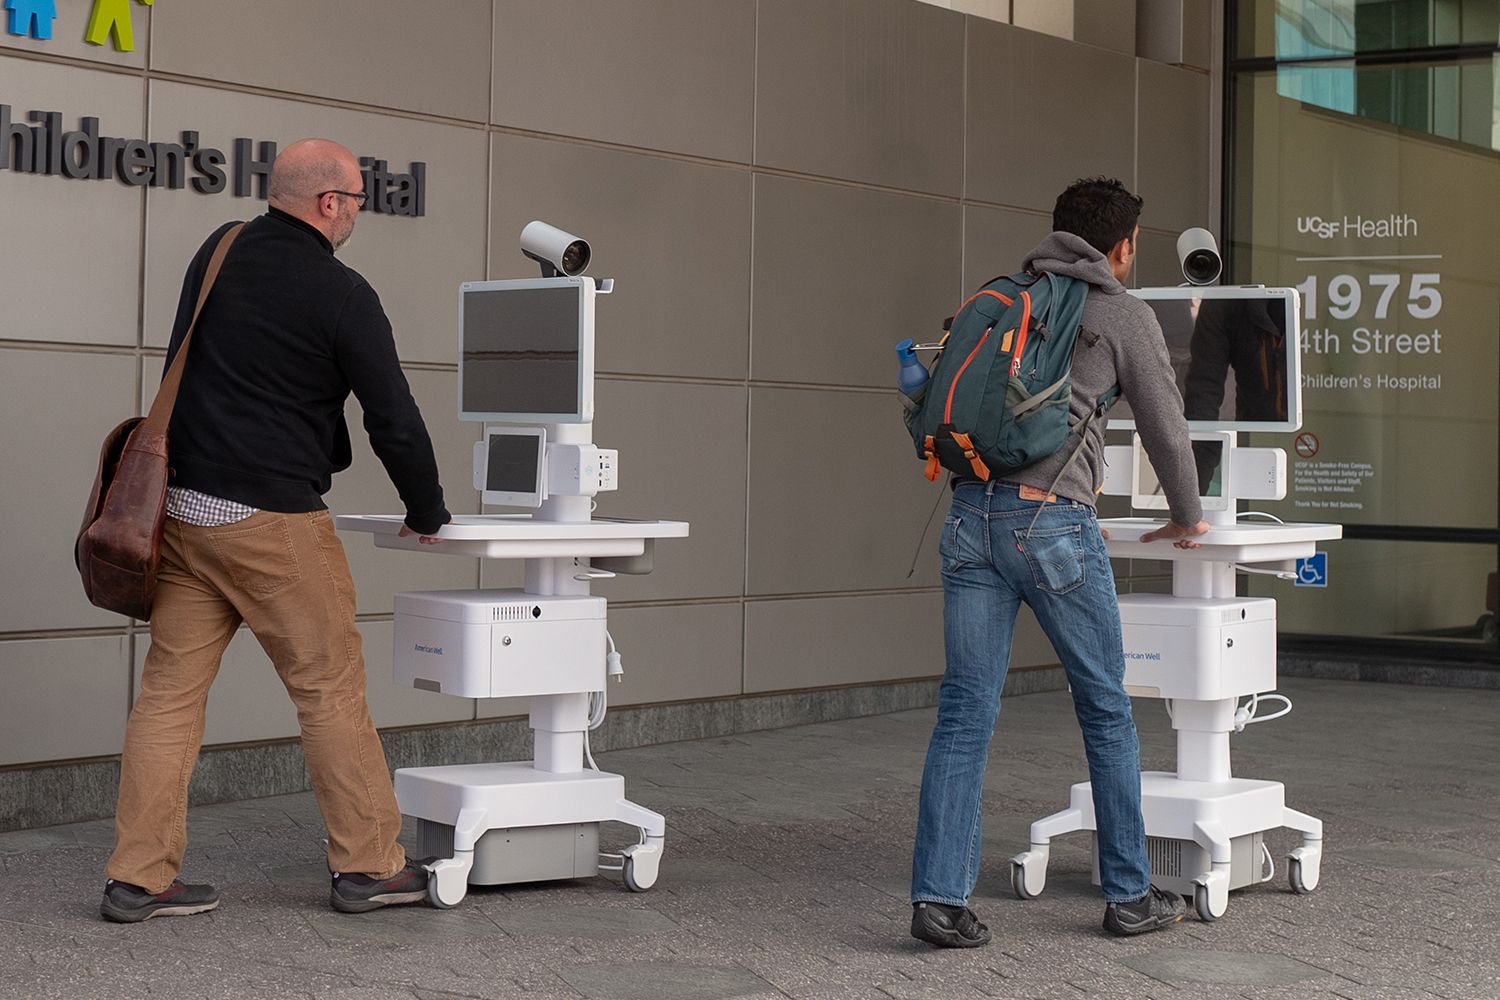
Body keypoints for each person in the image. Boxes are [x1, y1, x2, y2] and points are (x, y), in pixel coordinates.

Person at [100, 138, 451, 923]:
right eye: (358, 198)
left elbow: (185, 367)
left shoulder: (219, 249)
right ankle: (368, 867)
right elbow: (392, 415)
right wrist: (426, 510)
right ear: (329, 203)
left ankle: (138, 878)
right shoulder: (342, 293)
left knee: (167, 699)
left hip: (185, 514)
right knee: (329, 691)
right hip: (272, 523)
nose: (359, 211)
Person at [908, 177, 1210, 947]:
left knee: (965, 710)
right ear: (1121, 246)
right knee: (1105, 708)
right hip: (1052, 528)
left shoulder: (1008, 297)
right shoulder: (1122, 313)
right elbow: (1167, 430)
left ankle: (939, 901)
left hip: (969, 520)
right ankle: (1129, 896)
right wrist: (1187, 515)